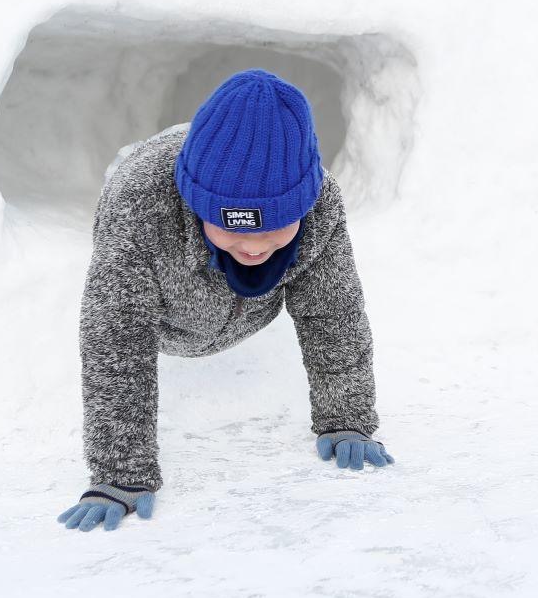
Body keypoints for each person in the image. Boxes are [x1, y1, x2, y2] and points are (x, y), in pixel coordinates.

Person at [58, 69, 393, 533]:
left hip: (243, 297)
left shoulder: (318, 202)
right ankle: (159, 159)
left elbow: (332, 315)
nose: (254, 246)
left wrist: (346, 416)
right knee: (136, 205)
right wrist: (121, 474)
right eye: (234, 226)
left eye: (273, 228)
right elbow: (116, 346)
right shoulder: (137, 208)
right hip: (159, 221)